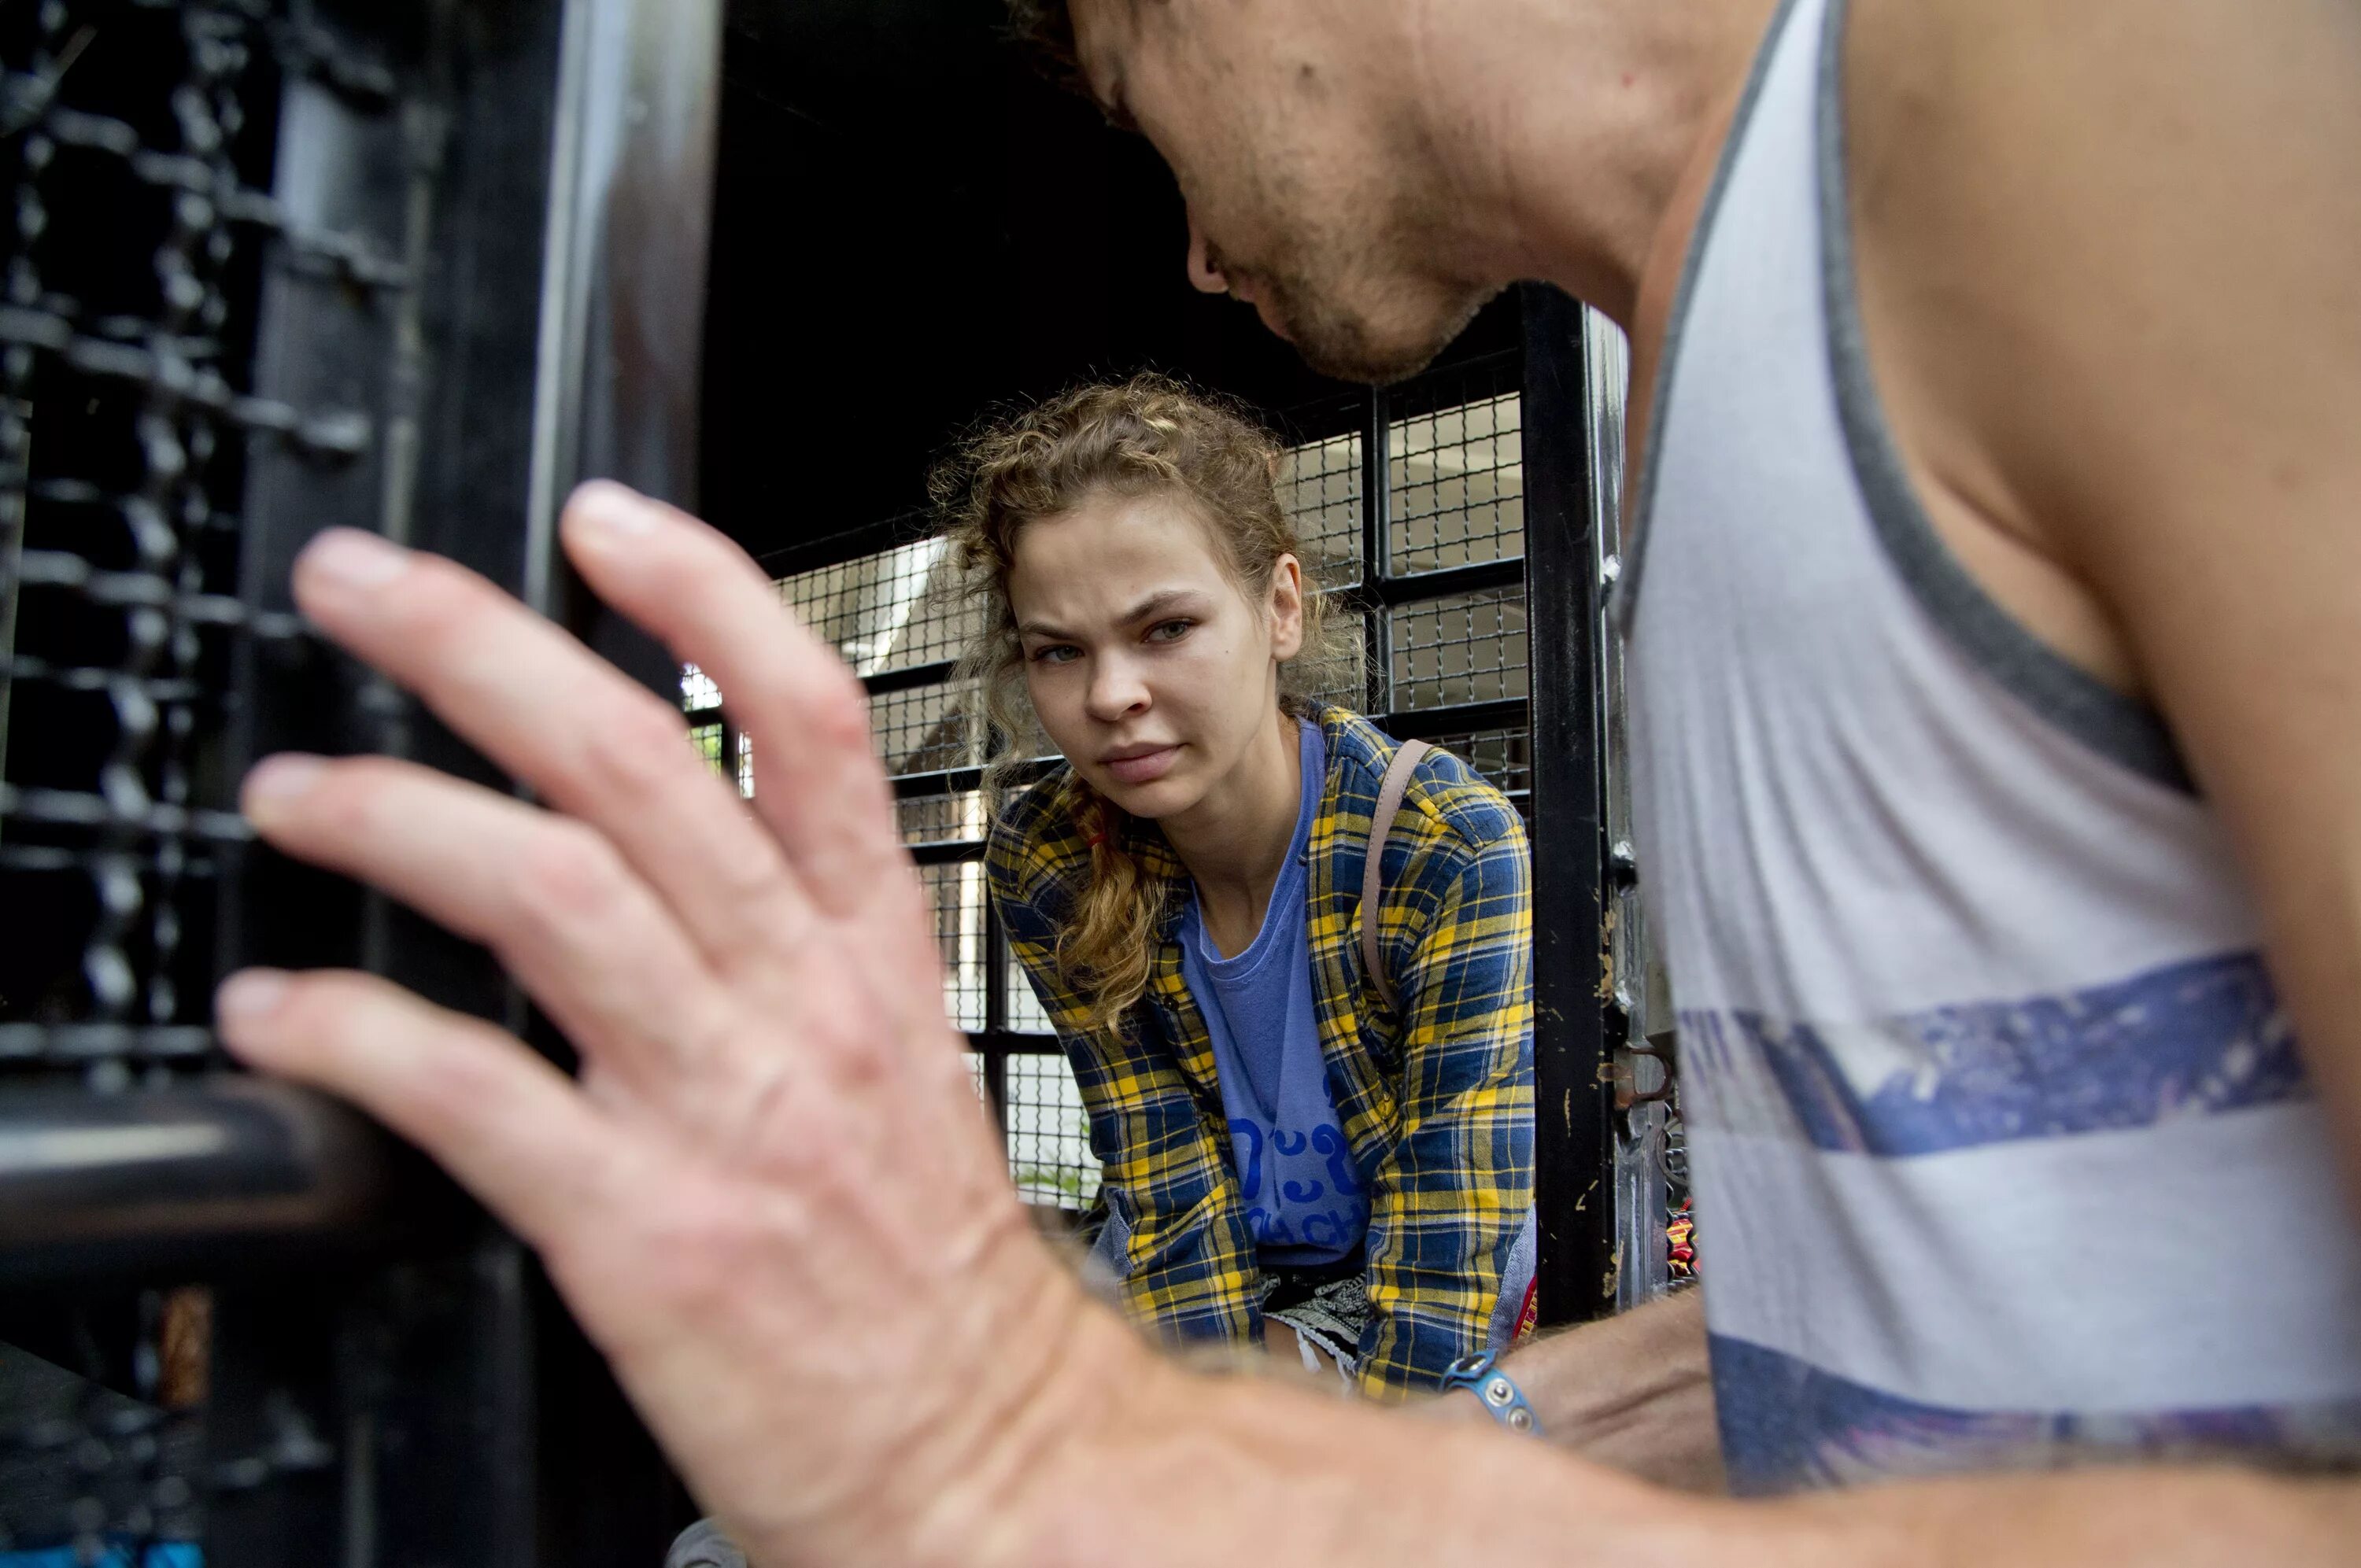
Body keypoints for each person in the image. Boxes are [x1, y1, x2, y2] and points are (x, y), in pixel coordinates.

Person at [211, 0, 2361, 1559]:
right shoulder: (1682, 425)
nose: (1192, 251)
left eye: (1132, 100)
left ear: (1287, 615)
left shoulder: (2055, 73)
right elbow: (1895, 1328)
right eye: (1058, 652)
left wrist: (1107, 1460)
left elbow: (1430, 1316)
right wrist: (1117, 1402)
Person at [943, 375, 1535, 1395]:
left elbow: (1446, 1252)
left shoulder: (1443, 846)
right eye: (1058, 650)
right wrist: (1198, 1410)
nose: (1110, 694)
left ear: (1280, 608)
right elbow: (1168, 1183)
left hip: (1408, 1271)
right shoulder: (1047, 858)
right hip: (1199, 1258)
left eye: (1165, 627)